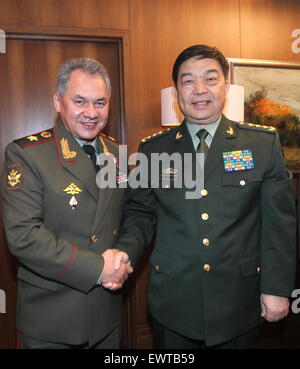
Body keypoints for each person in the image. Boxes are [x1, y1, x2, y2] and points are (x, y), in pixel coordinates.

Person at [116, 45, 296, 349]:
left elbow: (279, 224)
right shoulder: (154, 149)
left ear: (225, 86)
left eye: (210, 79)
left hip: (239, 300)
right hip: (173, 303)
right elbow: (140, 215)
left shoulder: (261, 143)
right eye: (188, 81)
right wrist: (124, 253)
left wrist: (277, 288)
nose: (199, 90)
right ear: (176, 92)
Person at [1, 57, 132, 349]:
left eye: (100, 102)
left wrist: (121, 258)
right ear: (58, 102)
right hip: (52, 320)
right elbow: (23, 237)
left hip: (106, 316)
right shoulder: (28, 154)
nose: (91, 112)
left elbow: (131, 216)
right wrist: (99, 268)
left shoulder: (119, 153)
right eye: (80, 101)